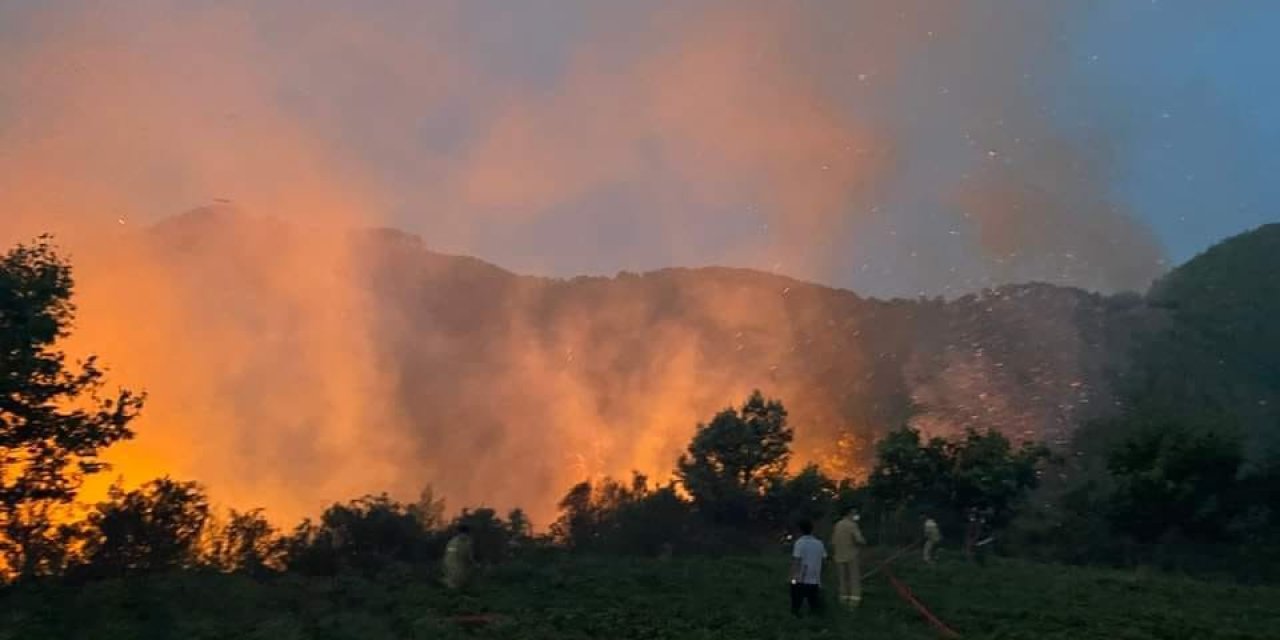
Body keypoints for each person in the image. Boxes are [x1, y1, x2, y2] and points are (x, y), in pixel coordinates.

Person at [832, 507, 868, 608]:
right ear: (849, 514)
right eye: (854, 513)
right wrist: (864, 542)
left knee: (842, 579)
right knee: (854, 579)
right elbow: (859, 539)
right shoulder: (852, 525)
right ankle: (854, 602)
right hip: (852, 556)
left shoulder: (838, 525)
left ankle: (842, 600)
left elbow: (833, 541)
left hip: (839, 555)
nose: (856, 515)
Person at [789, 519, 826, 617]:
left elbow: (796, 561)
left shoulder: (800, 543)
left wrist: (793, 577)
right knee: (814, 605)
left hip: (801, 578)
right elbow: (824, 560)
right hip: (815, 579)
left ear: (800, 530)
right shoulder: (819, 543)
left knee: (796, 605)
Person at [443, 524, 476, 590]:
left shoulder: (455, 541)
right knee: (456, 582)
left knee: (457, 582)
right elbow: (451, 555)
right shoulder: (457, 542)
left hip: (457, 566)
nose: (464, 535)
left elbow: (468, 555)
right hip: (454, 566)